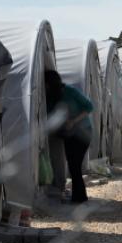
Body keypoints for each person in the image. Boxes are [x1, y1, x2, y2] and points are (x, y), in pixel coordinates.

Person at [44, 70, 94, 204]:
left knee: (75, 165)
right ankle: (79, 196)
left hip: (83, 132)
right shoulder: (50, 97)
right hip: (68, 135)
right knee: (73, 166)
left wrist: (73, 121)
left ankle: (79, 197)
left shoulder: (69, 91)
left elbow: (89, 106)